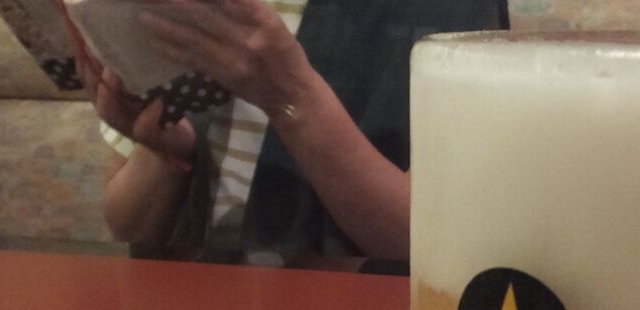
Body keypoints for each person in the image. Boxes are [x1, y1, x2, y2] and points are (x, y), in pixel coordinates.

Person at [89, 0, 509, 264]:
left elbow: (436, 249)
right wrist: (166, 154)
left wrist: (294, 97)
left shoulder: (450, 11)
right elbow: (125, 227)